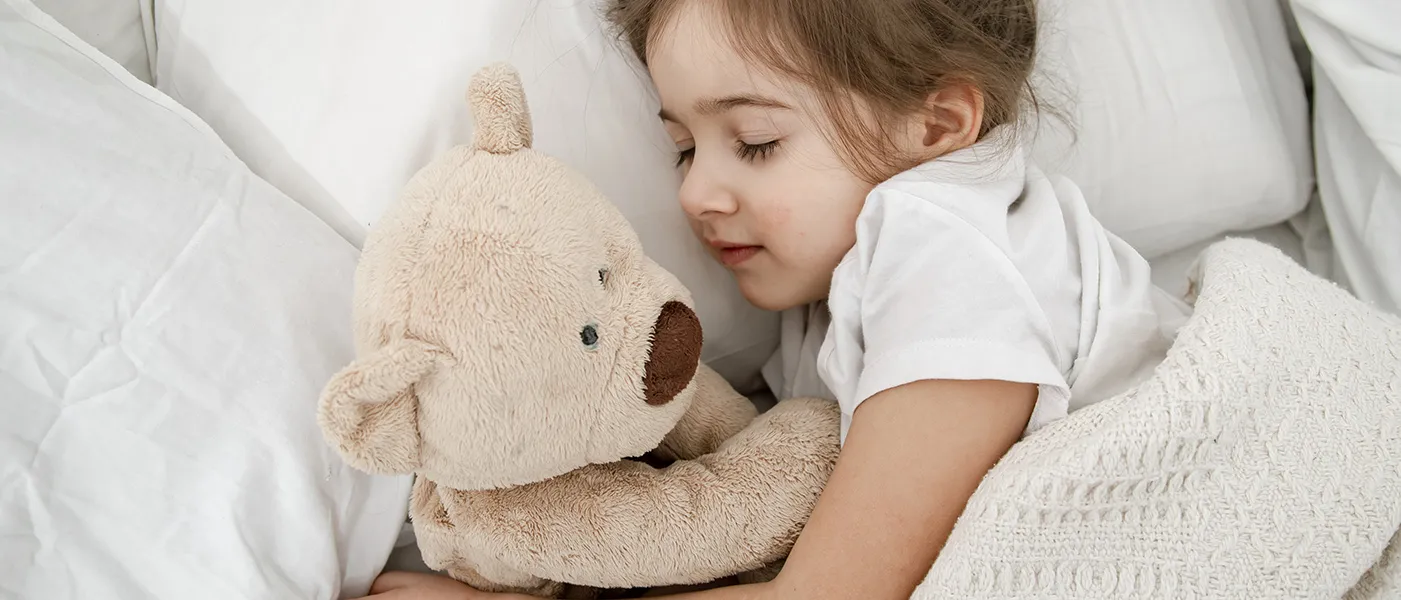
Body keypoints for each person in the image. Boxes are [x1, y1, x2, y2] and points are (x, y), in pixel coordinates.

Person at [360, 0, 1188, 598]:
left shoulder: (946, 248)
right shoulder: (829, 292)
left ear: (935, 127)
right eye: (683, 149)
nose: (695, 195)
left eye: (756, 142)